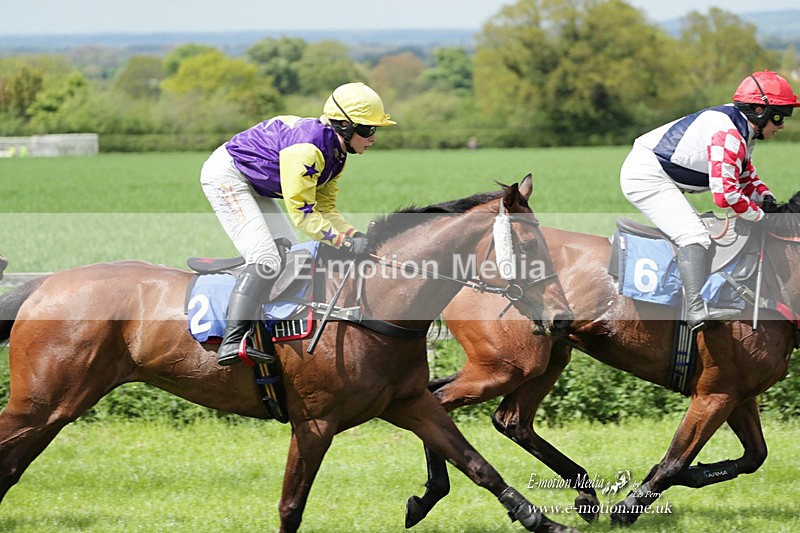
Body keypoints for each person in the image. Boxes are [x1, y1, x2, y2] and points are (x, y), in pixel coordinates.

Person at [201, 82, 396, 365]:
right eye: (367, 129)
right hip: (228, 177)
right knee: (266, 259)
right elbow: (303, 215)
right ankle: (232, 341)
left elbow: (325, 209)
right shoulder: (308, 150)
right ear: (344, 125)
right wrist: (344, 242)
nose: (373, 137)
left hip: (255, 183)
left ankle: (267, 331)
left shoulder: (338, 156)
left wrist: (355, 234)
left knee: (291, 255)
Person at [620, 70, 799, 330]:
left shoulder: (742, 129)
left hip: (663, 174)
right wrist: (761, 217)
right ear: (759, 111)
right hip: (646, 176)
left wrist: (767, 200)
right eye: (779, 116)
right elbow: (726, 195)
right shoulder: (729, 133)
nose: (781, 125)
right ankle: (695, 308)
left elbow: (746, 177)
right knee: (693, 235)